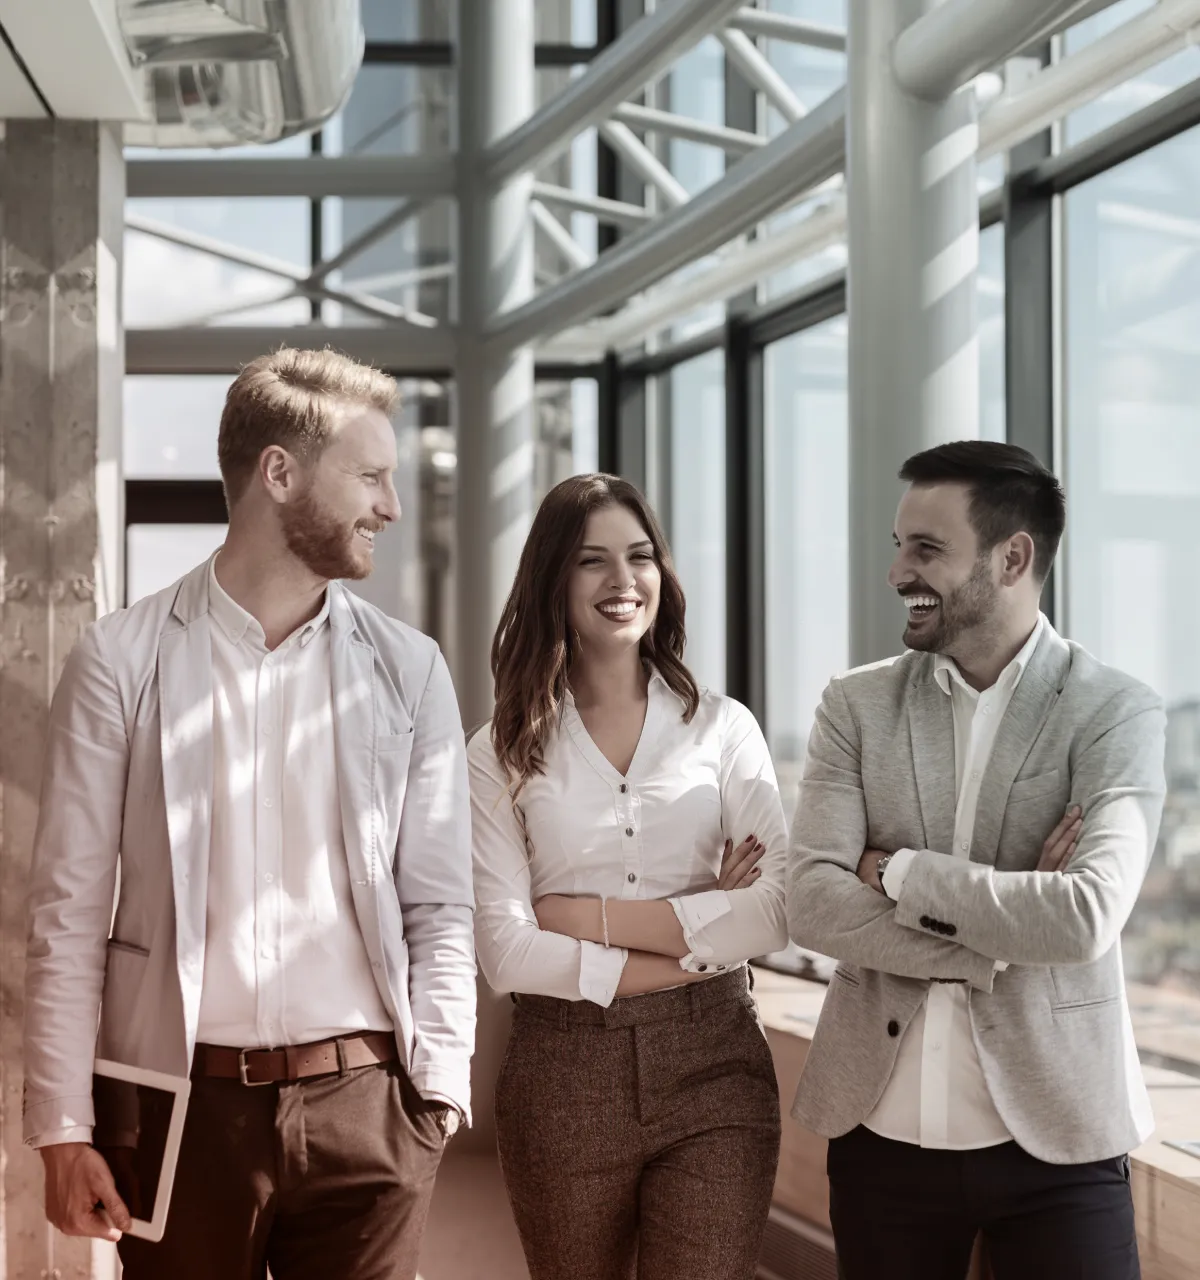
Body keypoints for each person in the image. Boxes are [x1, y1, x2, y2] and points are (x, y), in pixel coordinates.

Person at [24, 348, 476, 1280]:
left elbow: (440, 904)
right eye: (370, 476)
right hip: (178, 1107)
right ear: (280, 472)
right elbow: (68, 914)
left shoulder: (410, 668)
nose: (390, 506)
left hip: (371, 1107)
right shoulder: (121, 659)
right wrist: (62, 1131)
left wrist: (436, 1095)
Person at [787, 441, 1166, 1280]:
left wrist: (898, 875)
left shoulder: (1114, 713)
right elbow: (810, 902)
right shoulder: (856, 704)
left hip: (1061, 1137)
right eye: (898, 545)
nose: (897, 572)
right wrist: (1001, 931)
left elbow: (1085, 917)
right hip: (880, 1128)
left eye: (925, 549)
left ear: (1012, 556)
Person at [468, 473, 788, 1280]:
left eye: (640, 557)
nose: (623, 581)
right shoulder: (496, 753)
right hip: (561, 1075)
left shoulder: (724, 728)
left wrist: (584, 917)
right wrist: (701, 927)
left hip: (716, 1066)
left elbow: (777, 909)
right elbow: (507, 953)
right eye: (592, 561)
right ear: (553, 580)